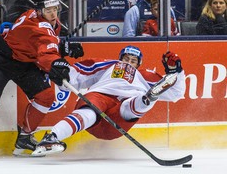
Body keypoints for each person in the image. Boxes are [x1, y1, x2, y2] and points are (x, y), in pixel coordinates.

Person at [0, 0, 84, 159]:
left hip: (24, 61)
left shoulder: (46, 21)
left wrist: (63, 47)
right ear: (39, 11)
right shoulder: (38, 26)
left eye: (55, 9)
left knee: (45, 96)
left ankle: (25, 137)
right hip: (1, 58)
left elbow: (41, 43)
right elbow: (45, 50)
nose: (53, 14)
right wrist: (56, 63)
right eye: (48, 10)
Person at [31, 45, 186, 156]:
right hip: (101, 96)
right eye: (126, 58)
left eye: (133, 60)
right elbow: (77, 74)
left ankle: (146, 99)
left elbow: (176, 93)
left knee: (130, 107)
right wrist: (63, 74)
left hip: (119, 117)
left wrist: (177, 72)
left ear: (139, 64)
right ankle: (52, 137)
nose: (129, 62)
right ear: (120, 59)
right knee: (91, 112)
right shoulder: (107, 65)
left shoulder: (146, 76)